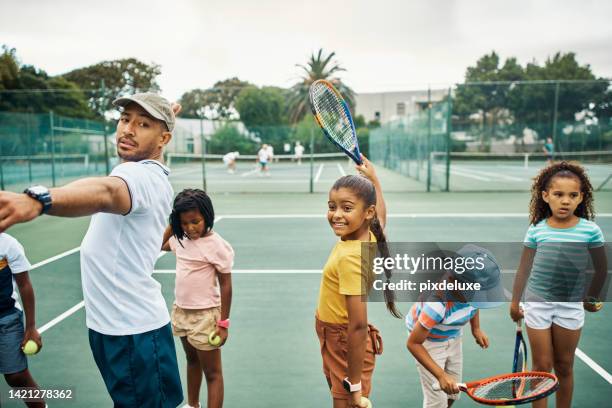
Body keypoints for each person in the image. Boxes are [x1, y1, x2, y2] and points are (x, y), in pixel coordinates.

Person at [0, 93, 184, 407]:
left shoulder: (140, 176)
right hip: (112, 328)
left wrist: (39, 199)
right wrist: (160, 120)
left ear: (164, 138)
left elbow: (104, 191)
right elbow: (103, 183)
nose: (127, 129)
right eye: (125, 119)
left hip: (133, 333)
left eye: (143, 124)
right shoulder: (140, 169)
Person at [510, 161, 606, 408]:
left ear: (581, 198)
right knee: (541, 368)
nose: (565, 201)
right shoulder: (536, 230)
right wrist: (514, 302)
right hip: (537, 304)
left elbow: (602, 269)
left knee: (564, 366)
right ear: (545, 196)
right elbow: (524, 268)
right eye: (559, 194)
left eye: (573, 195)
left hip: (570, 307)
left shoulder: (591, 231)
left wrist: (592, 297)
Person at [315, 154, 400, 408]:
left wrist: (354, 386)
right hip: (335, 338)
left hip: (343, 340)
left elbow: (358, 326)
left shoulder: (352, 258)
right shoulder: (369, 237)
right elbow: (382, 217)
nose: (336, 215)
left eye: (347, 208)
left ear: (367, 212)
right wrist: (375, 180)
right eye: (332, 206)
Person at [161, 189, 234, 408]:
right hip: (181, 312)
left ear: (207, 216)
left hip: (205, 316)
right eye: (184, 223)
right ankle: (192, 405)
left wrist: (223, 324)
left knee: (213, 373)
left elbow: (226, 285)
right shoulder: (179, 239)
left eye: (195, 221)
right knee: (192, 361)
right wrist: (174, 224)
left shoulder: (217, 245)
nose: (190, 228)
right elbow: (159, 244)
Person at [406, 245, 504, 408]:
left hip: (453, 335)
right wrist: (441, 375)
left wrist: (476, 329)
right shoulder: (437, 304)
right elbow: (413, 343)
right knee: (437, 401)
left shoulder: (471, 293)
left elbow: (474, 305)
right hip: (427, 341)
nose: (479, 298)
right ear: (453, 281)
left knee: (453, 391)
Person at [0, 233, 45, 408]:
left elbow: (24, 284)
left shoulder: (8, 245)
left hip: (6, 318)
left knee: (16, 376)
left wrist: (31, 327)